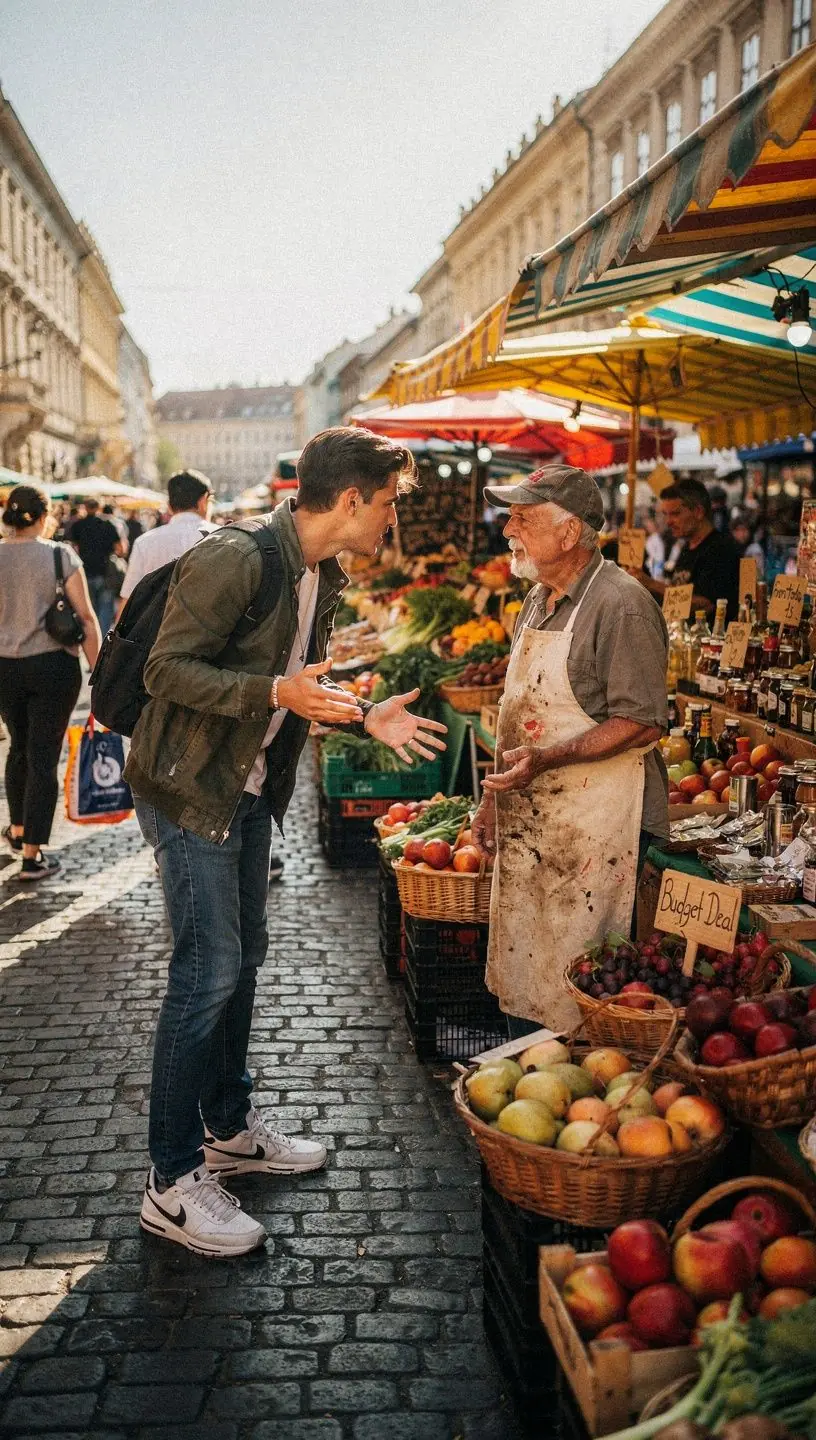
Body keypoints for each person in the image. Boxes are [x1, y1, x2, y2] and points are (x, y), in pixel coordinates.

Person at [128, 426, 447, 1257]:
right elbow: (167, 672)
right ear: (348, 501)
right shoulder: (237, 557)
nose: (390, 522)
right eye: (386, 505)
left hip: (246, 787)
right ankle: (169, 1181)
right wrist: (275, 690)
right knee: (206, 973)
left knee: (246, 958)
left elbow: (301, 683)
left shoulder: (320, 572)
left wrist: (359, 709)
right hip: (190, 784)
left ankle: (228, 1129)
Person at [470, 464, 668, 1035]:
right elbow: (517, 717)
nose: (509, 530)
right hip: (535, 824)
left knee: (585, 981)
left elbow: (641, 723)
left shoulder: (621, 604)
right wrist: (492, 804)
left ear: (568, 533)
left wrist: (549, 760)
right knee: (528, 969)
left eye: (522, 518)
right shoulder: (536, 601)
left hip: (601, 833)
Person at [0, 484, 101, 879]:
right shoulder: (61, 556)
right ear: (44, 518)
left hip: (5, 668)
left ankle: (19, 828)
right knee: (44, 757)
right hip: (53, 669)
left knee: (18, 748)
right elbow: (88, 619)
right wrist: (99, 672)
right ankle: (31, 854)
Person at [640, 479, 741, 622]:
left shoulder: (721, 550)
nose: (668, 522)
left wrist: (651, 584)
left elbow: (705, 605)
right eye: (666, 514)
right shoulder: (687, 547)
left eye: (675, 514)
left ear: (699, 512)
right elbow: (679, 592)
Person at [117, 469, 216, 614]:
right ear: (203, 501)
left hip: (156, 631)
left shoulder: (145, 542)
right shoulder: (223, 537)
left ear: (169, 505)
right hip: (213, 631)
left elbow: (129, 598)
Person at [69, 497, 124, 635]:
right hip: (105, 573)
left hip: (84, 573)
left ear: (85, 507)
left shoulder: (78, 525)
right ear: (99, 507)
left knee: (87, 611)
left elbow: (73, 548)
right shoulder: (108, 525)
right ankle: (102, 641)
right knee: (105, 611)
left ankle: (90, 637)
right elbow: (120, 549)